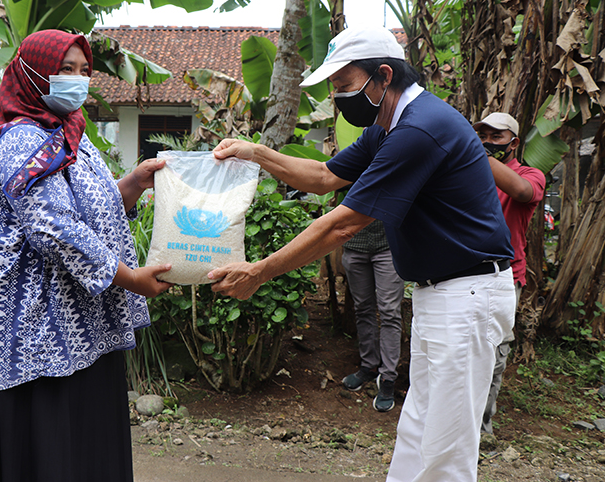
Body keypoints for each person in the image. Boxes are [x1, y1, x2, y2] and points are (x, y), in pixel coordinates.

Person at [207, 26, 515, 482]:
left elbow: (343, 224)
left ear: (384, 75)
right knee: (419, 429)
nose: (338, 98)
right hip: (441, 295)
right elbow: (322, 176)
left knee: (446, 446)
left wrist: (259, 271)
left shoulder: (419, 129)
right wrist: (255, 152)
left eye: (345, 85)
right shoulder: (387, 129)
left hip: (467, 294)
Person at [0, 29, 172, 482]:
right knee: (48, 448)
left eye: (83, 71)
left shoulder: (68, 132)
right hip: (35, 329)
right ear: (33, 72)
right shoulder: (23, 140)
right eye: (64, 69)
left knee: (81, 444)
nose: (77, 80)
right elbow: (54, 228)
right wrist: (131, 278)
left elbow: (84, 208)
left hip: (79, 323)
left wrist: (132, 184)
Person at [473, 112, 545, 435]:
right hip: (464, 273)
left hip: (505, 275)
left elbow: (522, 192)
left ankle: (482, 426)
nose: (487, 142)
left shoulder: (530, 174)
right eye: (482, 136)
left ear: (513, 143)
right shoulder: (469, 170)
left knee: (495, 349)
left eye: (496, 137)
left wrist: (480, 156)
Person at [340, 220, 404, 413]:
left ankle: (388, 378)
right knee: (362, 308)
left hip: (388, 246)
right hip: (354, 244)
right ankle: (369, 366)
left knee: (390, 312)